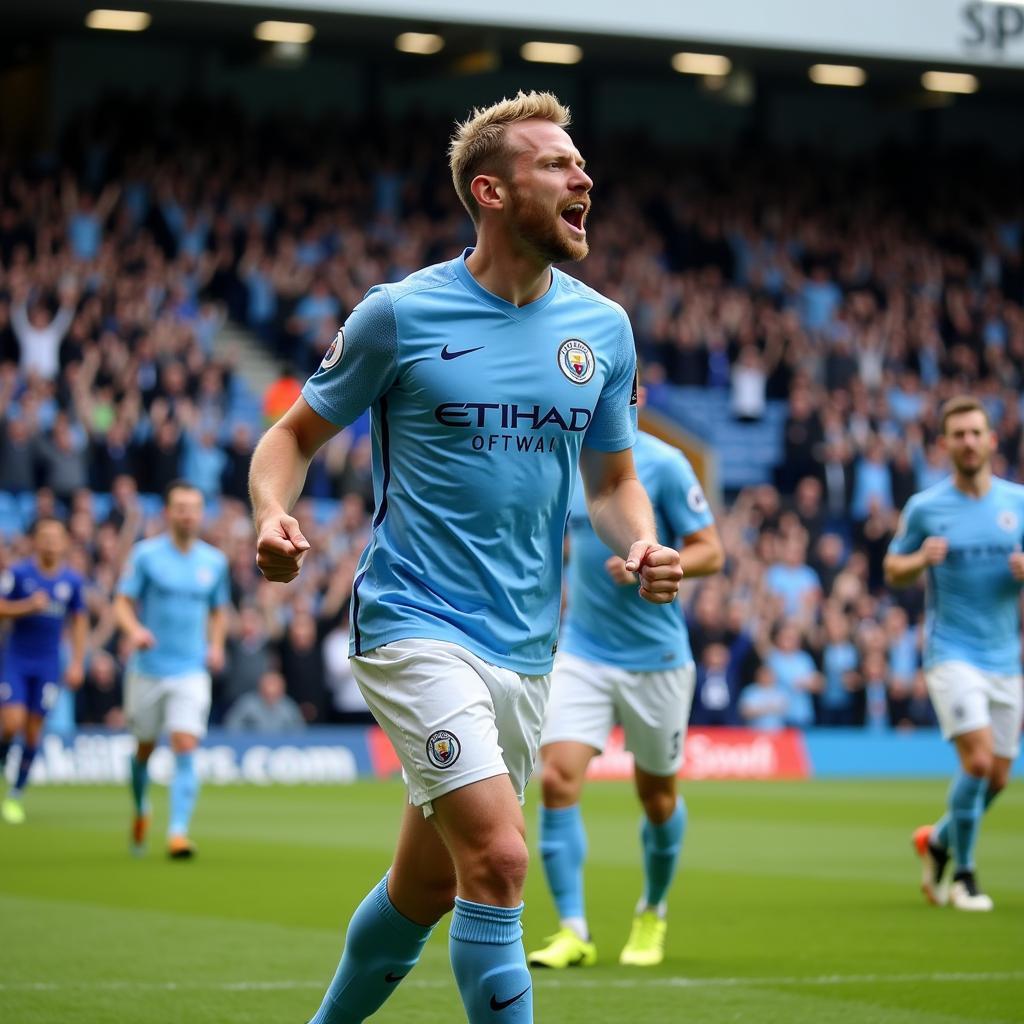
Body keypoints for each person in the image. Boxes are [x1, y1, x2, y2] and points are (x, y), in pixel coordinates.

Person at [249, 91, 683, 1024]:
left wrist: (642, 540)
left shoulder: (602, 330)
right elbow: (289, 436)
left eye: (581, 163)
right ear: (490, 190)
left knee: (427, 890)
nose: (584, 177)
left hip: (527, 645)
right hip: (413, 622)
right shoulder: (399, 315)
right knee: (500, 860)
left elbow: (610, 484)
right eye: (557, 165)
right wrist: (270, 513)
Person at [527, 399, 723, 971]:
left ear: (629, 395)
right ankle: (573, 930)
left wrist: (661, 559)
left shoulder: (664, 464)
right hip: (582, 650)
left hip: (656, 659)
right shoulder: (565, 455)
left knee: (656, 797)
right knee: (558, 778)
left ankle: (652, 910)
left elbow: (712, 550)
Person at [884, 395, 1024, 912]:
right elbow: (892, 569)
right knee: (980, 762)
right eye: (958, 435)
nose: (968, 442)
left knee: (999, 777)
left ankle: (938, 840)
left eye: (975, 433)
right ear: (944, 446)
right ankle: (963, 876)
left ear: (991, 440)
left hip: (1006, 657)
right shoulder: (926, 507)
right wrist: (921, 557)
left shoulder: (1017, 503)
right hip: (951, 653)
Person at [114, 480, 230, 858]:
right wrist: (135, 631)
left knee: (185, 743)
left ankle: (178, 832)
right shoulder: (146, 556)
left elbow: (218, 610)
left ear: (201, 513)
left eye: (194, 507)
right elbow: (122, 603)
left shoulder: (214, 562)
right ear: (167, 512)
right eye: (180, 507)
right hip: (148, 668)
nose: (187, 514)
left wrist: (214, 646)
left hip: (190, 670)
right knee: (144, 748)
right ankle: (140, 807)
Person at [0, 518, 88, 823]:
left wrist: (77, 661)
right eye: (45, 537)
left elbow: (79, 620)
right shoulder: (19, 574)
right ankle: (3, 759)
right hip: (16, 660)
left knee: (34, 729)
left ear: (64, 543)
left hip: (48, 664)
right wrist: (27, 606)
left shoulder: (72, 581)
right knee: (11, 723)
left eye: (56, 537)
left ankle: (16, 794)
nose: (50, 543)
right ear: (35, 541)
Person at [224, 669, 305, 733]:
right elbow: (231, 725)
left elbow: (299, 730)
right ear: (260, 688)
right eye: (267, 692)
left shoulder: (288, 707)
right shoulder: (248, 704)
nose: (271, 692)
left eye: (274, 693)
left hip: (281, 750)